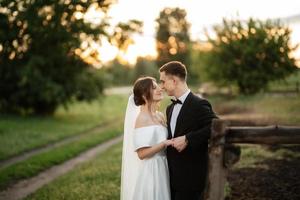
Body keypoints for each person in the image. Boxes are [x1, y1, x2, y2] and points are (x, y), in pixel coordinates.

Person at [159, 61, 218, 200]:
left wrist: (188, 138)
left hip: (191, 178)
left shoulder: (199, 104)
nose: (161, 86)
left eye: (163, 81)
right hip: (171, 178)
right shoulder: (170, 108)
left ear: (174, 81)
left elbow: (217, 127)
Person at [120, 76, 173, 200]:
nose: (160, 89)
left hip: (163, 166)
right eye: (154, 88)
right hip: (152, 171)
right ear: (144, 95)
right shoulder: (141, 119)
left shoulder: (159, 115)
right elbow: (142, 154)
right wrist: (164, 143)